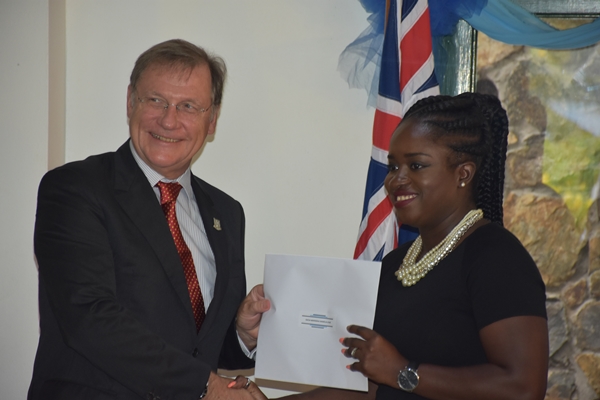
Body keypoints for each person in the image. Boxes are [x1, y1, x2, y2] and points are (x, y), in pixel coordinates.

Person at [234, 92, 549, 400]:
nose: (397, 180)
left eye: (416, 166)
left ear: (463, 174)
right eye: (393, 166)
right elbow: (370, 387)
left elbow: (523, 387)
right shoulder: (395, 265)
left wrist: (404, 371)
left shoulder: (495, 257)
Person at [28, 39, 268, 400]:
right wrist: (207, 387)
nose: (169, 120)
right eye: (155, 100)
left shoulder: (227, 213)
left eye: (188, 106)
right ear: (130, 102)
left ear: (212, 120)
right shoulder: (75, 189)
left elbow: (199, 350)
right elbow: (89, 318)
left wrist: (242, 335)